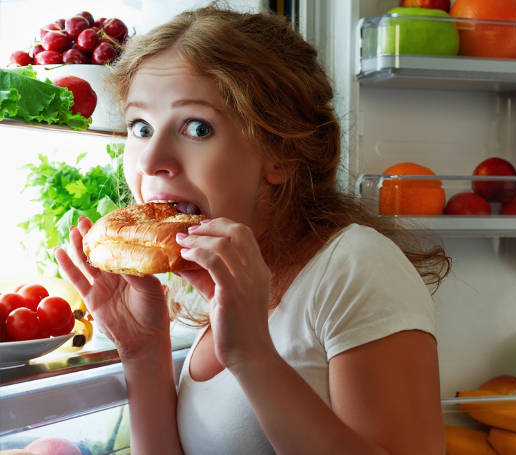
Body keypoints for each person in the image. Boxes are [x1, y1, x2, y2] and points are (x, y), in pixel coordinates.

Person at [55, 4, 451, 454]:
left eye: (197, 128)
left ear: (280, 153)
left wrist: (252, 357)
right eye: (141, 127)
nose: (150, 159)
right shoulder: (200, 284)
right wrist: (143, 350)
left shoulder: (355, 267)